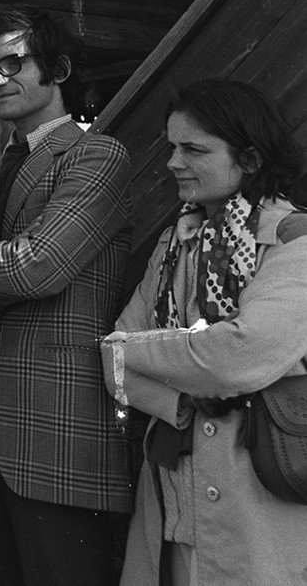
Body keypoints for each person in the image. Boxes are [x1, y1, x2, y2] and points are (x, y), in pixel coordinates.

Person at [102, 79, 307, 586]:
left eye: (193, 149)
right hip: (176, 493)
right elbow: (112, 364)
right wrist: (182, 400)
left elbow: (237, 357)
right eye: (172, 146)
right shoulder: (176, 242)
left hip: (262, 499)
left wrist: (139, 351)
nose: (173, 162)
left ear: (251, 160)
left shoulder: (293, 241)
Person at [0, 7, 132, 586]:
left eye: (13, 62)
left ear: (57, 69)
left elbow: (38, 266)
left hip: (60, 415)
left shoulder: (97, 155)